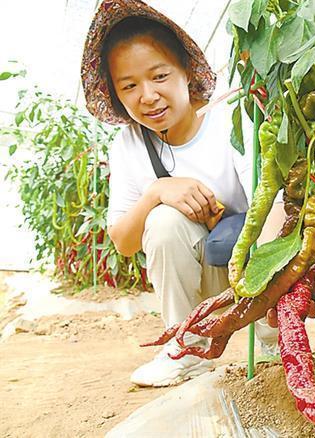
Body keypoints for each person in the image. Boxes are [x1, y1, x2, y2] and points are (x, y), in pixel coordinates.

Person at [80, 0, 281, 387]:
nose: (148, 96)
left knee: (267, 218)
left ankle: (273, 343)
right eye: (130, 86)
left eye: (159, 76)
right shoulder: (128, 145)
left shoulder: (229, 119)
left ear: (186, 71)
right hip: (204, 279)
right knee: (162, 220)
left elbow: (270, 208)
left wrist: (269, 289)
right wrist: (157, 191)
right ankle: (185, 349)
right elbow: (123, 241)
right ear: (116, 94)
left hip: (255, 266)